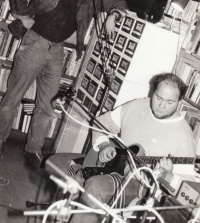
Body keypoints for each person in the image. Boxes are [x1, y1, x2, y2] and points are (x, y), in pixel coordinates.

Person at [0, 0, 128, 160]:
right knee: (13, 97)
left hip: (57, 49)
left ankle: (33, 150)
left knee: (47, 105)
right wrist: (22, 18)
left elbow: (120, 4)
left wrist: (112, 15)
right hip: (35, 43)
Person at [47, 73, 198, 223]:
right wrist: (104, 145)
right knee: (55, 164)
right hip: (112, 165)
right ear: (153, 92)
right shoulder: (138, 105)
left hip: (139, 185)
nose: (161, 106)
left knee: (95, 187)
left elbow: (189, 185)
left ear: (179, 101)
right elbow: (102, 122)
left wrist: (169, 176)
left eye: (170, 102)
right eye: (158, 98)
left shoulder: (183, 135)